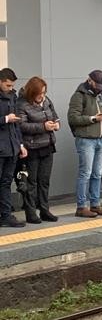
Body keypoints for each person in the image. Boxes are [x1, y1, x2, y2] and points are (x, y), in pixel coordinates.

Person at [67, 70, 102, 218]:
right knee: (85, 173)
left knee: (97, 173)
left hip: (101, 138)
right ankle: (81, 206)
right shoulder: (79, 96)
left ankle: (95, 204)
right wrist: (92, 119)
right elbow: (73, 118)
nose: (99, 88)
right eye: (97, 85)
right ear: (90, 81)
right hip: (86, 139)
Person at [15, 76, 59, 223]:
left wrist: (56, 124)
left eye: (44, 92)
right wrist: (43, 127)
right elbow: (21, 126)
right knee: (31, 182)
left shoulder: (46, 101)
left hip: (47, 145)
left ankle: (45, 210)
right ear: (31, 92)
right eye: (39, 93)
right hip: (32, 147)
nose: (42, 96)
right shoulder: (21, 104)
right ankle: (31, 212)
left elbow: (55, 116)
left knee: (44, 180)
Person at [0, 69, 26, 227]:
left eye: (12, 85)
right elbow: (9, 120)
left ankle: (6, 215)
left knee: (6, 182)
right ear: (1, 81)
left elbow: (15, 124)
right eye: (8, 85)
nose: (10, 88)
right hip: (1, 147)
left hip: (11, 147)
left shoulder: (12, 96)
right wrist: (4, 119)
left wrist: (20, 144)